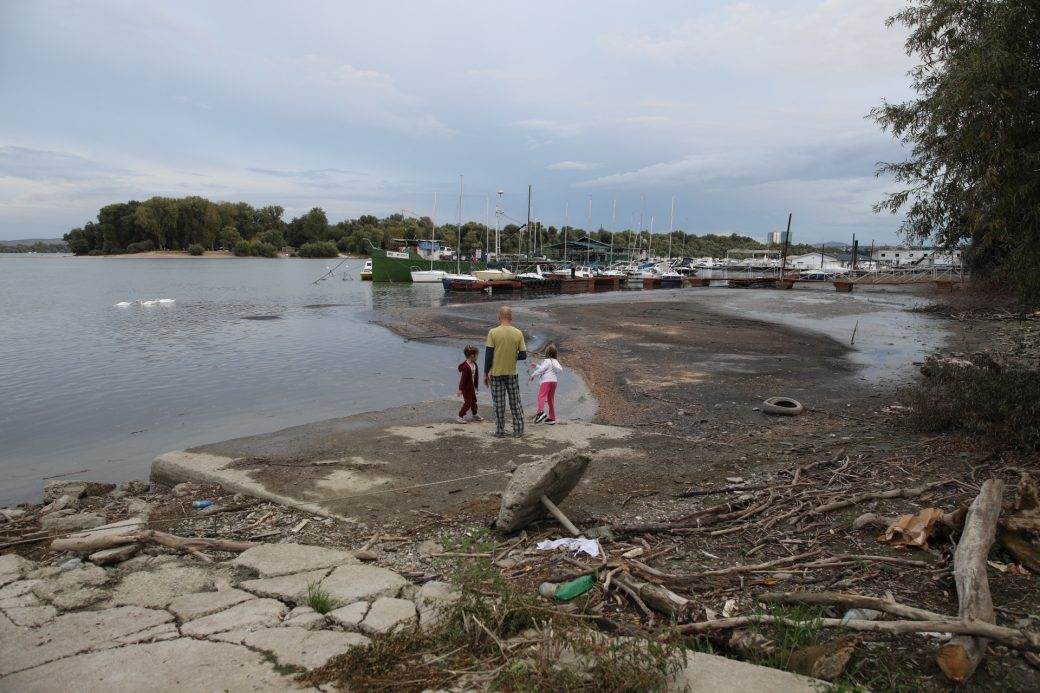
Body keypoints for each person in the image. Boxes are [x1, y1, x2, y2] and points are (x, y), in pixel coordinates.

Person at [484, 305, 527, 437]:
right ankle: (518, 430)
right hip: (512, 373)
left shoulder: (493, 332)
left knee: (499, 404)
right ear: (511, 318)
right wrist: (512, 355)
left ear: (499, 317)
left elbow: (488, 355)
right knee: (515, 402)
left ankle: (500, 431)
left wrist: (486, 373)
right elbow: (523, 355)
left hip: (497, 374)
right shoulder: (518, 333)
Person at [528, 343, 562, 424]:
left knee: (541, 396)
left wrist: (533, 375)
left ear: (547, 353)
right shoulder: (555, 361)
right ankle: (552, 418)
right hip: (554, 381)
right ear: (555, 353)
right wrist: (536, 365)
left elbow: (542, 370)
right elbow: (549, 369)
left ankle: (541, 412)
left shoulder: (546, 361)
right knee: (550, 399)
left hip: (546, 381)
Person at [456, 345, 482, 424]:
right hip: (466, 389)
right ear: (472, 355)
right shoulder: (466, 367)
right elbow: (463, 379)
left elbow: (476, 376)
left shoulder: (474, 364)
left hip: (472, 387)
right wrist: (460, 389)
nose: (477, 356)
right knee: (468, 403)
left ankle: (474, 414)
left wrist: (476, 386)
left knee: (474, 401)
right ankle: (460, 416)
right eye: (477, 355)